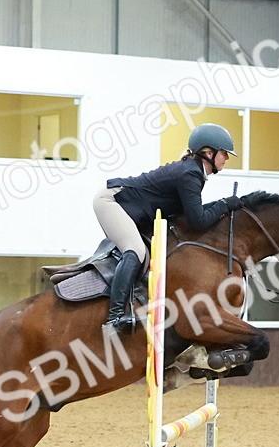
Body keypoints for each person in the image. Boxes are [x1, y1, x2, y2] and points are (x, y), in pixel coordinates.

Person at [94, 123, 241, 334]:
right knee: (135, 251)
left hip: (128, 208)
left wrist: (223, 205)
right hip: (111, 202)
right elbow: (198, 221)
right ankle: (114, 319)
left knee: (145, 253)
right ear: (208, 153)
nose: (226, 158)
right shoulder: (190, 174)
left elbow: (193, 214)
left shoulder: (193, 172)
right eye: (224, 153)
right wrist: (225, 204)